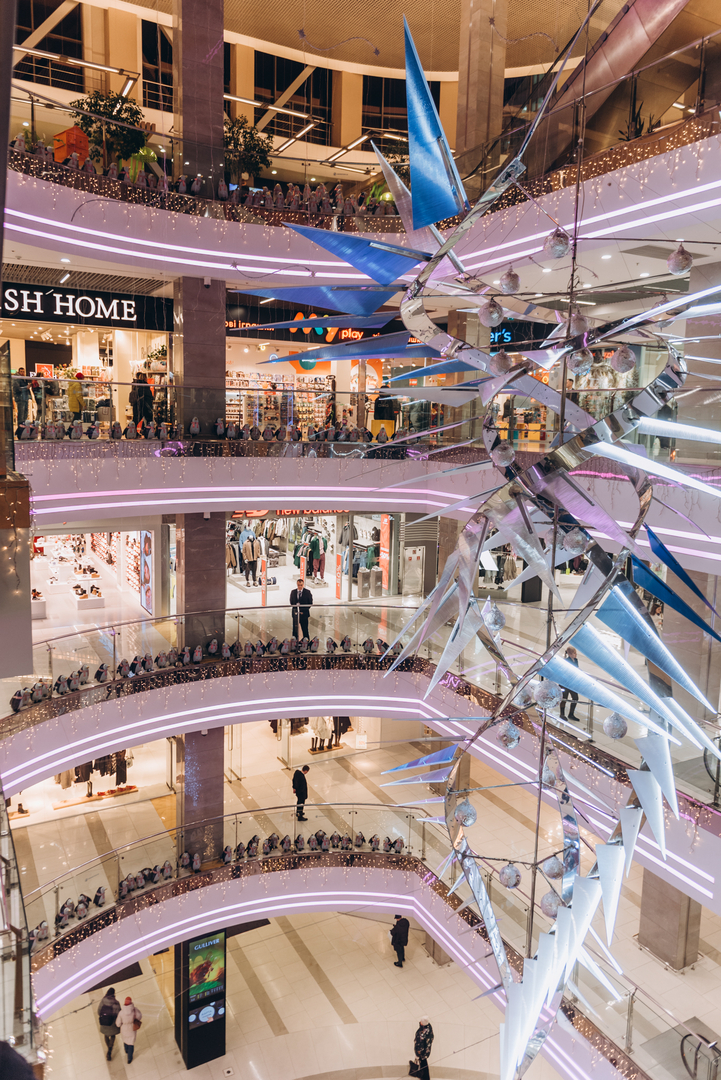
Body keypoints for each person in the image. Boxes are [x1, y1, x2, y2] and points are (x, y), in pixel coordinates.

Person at [97, 986, 121, 1060]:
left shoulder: (103, 1001)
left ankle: (109, 1048)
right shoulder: (116, 1003)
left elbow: (98, 1011)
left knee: (106, 1035)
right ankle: (110, 1049)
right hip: (112, 1023)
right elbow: (119, 1014)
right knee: (112, 1036)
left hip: (104, 1022)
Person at [117, 995, 142, 1064]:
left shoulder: (121, 1013)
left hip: (124, 1029)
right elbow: (139, 1016)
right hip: (132, 1029)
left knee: (125, 1040)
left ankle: (126, 1050)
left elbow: (118, 1024)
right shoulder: (134, 1010)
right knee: (131, 1043)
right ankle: (129, 1058)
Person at [559, 645, 580, 721]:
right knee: (564, 698)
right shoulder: (567, 661)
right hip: (565, 683)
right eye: (574, 653)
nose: (576, 654)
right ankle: (562, 714)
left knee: (575, 698)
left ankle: (571, 714)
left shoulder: (576, 660)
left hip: (572, 683)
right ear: (570, 654)